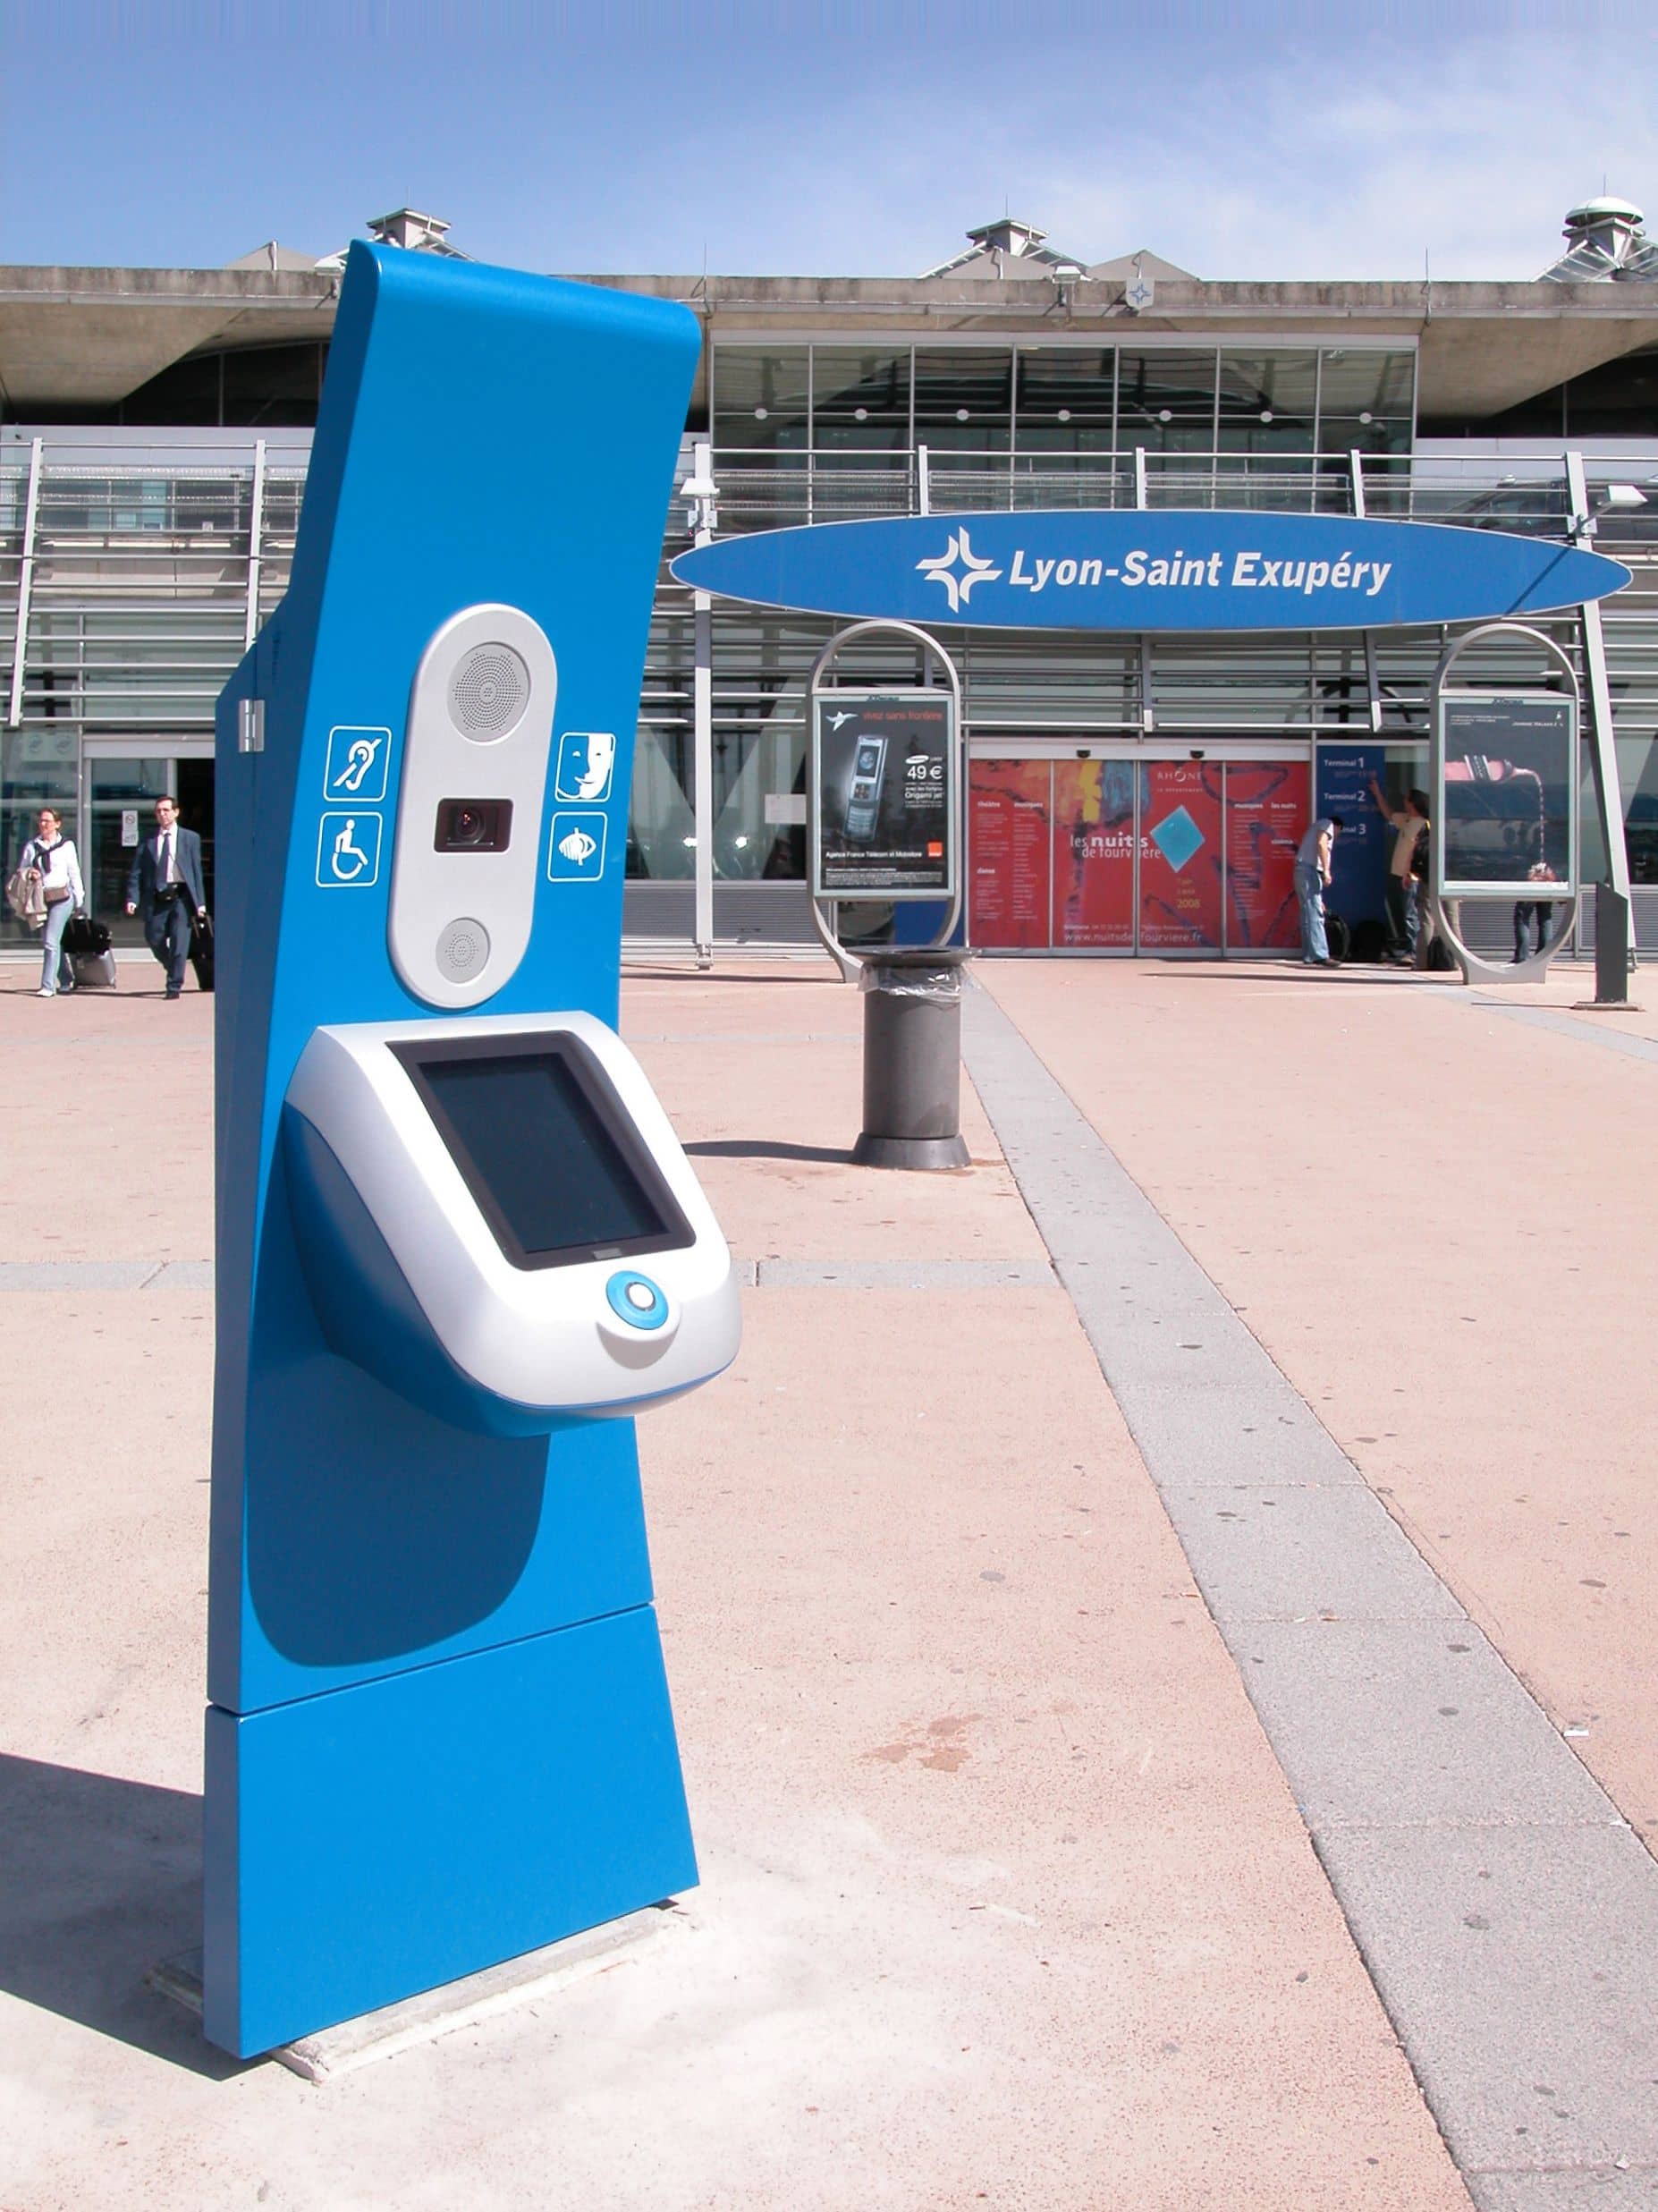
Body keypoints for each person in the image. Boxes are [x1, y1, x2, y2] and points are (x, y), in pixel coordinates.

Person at [126, 793, 207, 1000]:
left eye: (166, 810)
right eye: (159, 811)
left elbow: (196, 872)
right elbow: (137, 872)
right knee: (153, 937)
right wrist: (132, 898)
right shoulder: (148, 840)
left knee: (180, 943)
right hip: (157, 897)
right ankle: (173, 967)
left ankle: (174, 986)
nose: (162, 814)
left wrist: (200, 903)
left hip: (181, 897)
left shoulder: (190, 839)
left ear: (176, 812)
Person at [18, 805, 85, 999]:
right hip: (42, 899)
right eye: (41, 821)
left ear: (57, 824)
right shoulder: (32, 846)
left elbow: (74, 872)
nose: (43, 824)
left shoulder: (66, 846)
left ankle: (47, 986)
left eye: (47, 821)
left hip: (63, 898)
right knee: (53, 941)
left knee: (50, 941)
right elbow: (22, 869)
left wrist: (79, 898)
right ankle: (66, 979)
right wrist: (31, 872)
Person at [1368, 776, 1429, 963]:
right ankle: (1409, 948)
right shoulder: (1407, 820)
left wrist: (1412, 872)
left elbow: (1421, 851)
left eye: (1407, 799)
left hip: (1412, 877)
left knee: (1412, 913)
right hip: (1400, 875)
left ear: (1413, 803)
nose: (1404, 801)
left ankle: (1414, 952)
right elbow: (1388, 814)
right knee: (1405, 912)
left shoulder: (1424, 824)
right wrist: (1377, 792)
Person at [1293, 810, 1342, 965]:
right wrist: (1327, 870)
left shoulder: (1316, 826)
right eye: (1338, 833)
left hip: (1302, 871)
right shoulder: (1326, 825)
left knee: (1308, 914)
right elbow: (1322, 843)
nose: (1336, 837)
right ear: (1337, 827)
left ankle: (1310, 954)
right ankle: (1320, 954)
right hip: (1309, 871)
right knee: (1315, 914)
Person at [1513, 862, 1558, 962]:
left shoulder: (1528, 853)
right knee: (1545, 918)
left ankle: (1522, 956)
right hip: (1547, 883)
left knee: (1522, 918)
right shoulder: (1549, 852)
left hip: (1530, 883)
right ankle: (1543, 956)